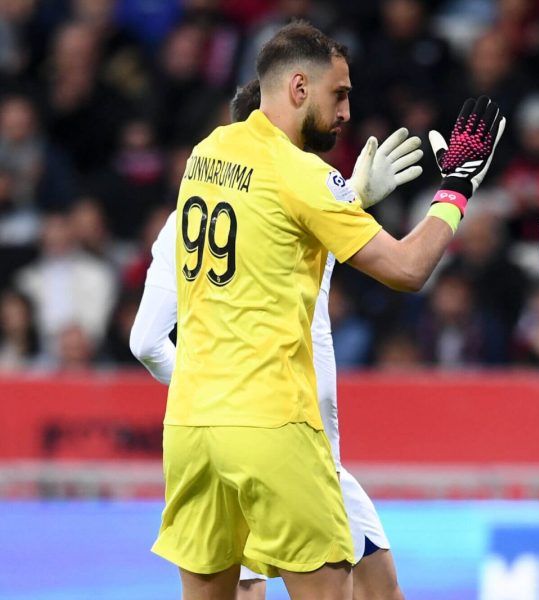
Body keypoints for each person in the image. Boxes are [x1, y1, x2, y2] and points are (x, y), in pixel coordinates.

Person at [144, 22, 504, 600]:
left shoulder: (205, 154)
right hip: (273, 423)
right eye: (339, 94)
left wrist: (347, 197)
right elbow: (409, 269)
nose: (346, 111)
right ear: (298, 88)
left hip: (190, 426)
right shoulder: (306, 176)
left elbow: (271, 236)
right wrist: (455, 192)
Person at [131, 77, 416, 599]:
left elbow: (146, 341)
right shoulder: (295, 185)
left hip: (262, 439)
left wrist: (351, 197)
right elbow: (404, 267)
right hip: (279, 435)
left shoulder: (199, 210)